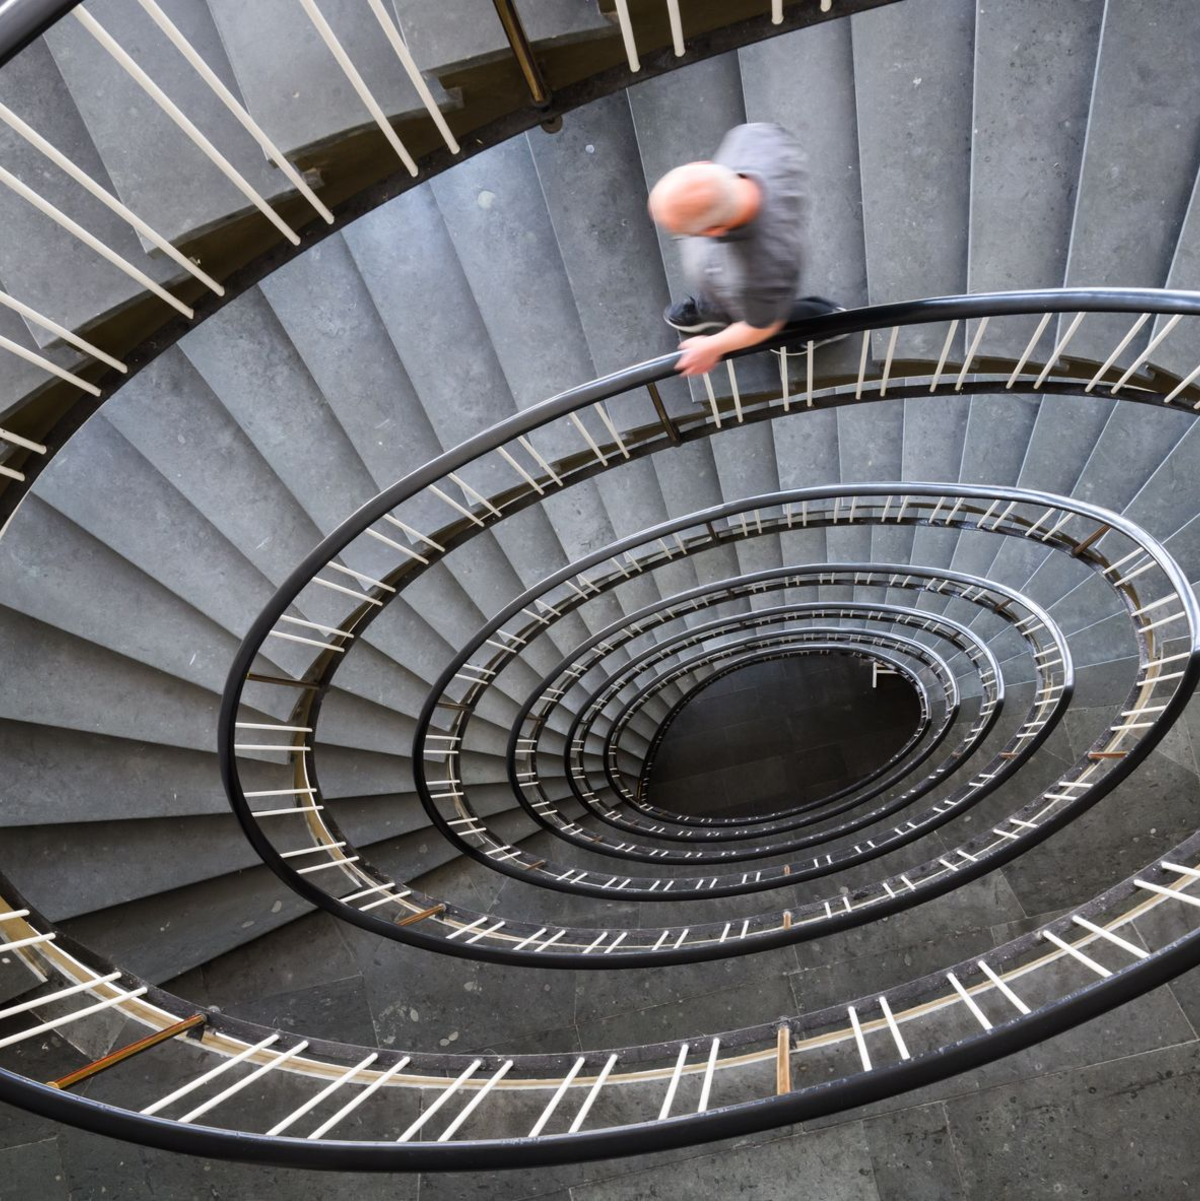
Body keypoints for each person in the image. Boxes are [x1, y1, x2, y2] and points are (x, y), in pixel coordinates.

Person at [648, 122, 843, 378]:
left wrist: (712, 346)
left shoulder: (762, 269)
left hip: (762, 298)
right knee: (721, 289)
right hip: (732, 280)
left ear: (714, 231)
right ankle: (709, 309)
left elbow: (761, 326)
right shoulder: (754, 137)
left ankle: (823, 321)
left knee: (770, 311)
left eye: (685, 233)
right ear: (703, 165)